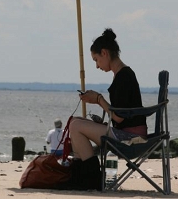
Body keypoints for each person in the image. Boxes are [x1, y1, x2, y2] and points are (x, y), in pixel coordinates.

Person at [59, 28, 147, 191]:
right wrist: (103, 121)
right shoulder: (122, 74)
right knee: (76, 121)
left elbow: (120, 117)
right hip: (128, 133)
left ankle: (91, 178)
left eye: (96, 60)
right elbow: (122, 117)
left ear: (104, 53)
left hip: (132, 138)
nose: (97, 66)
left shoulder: (123, 76)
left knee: (76, 126)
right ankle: (84, 175)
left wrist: (98, 99)